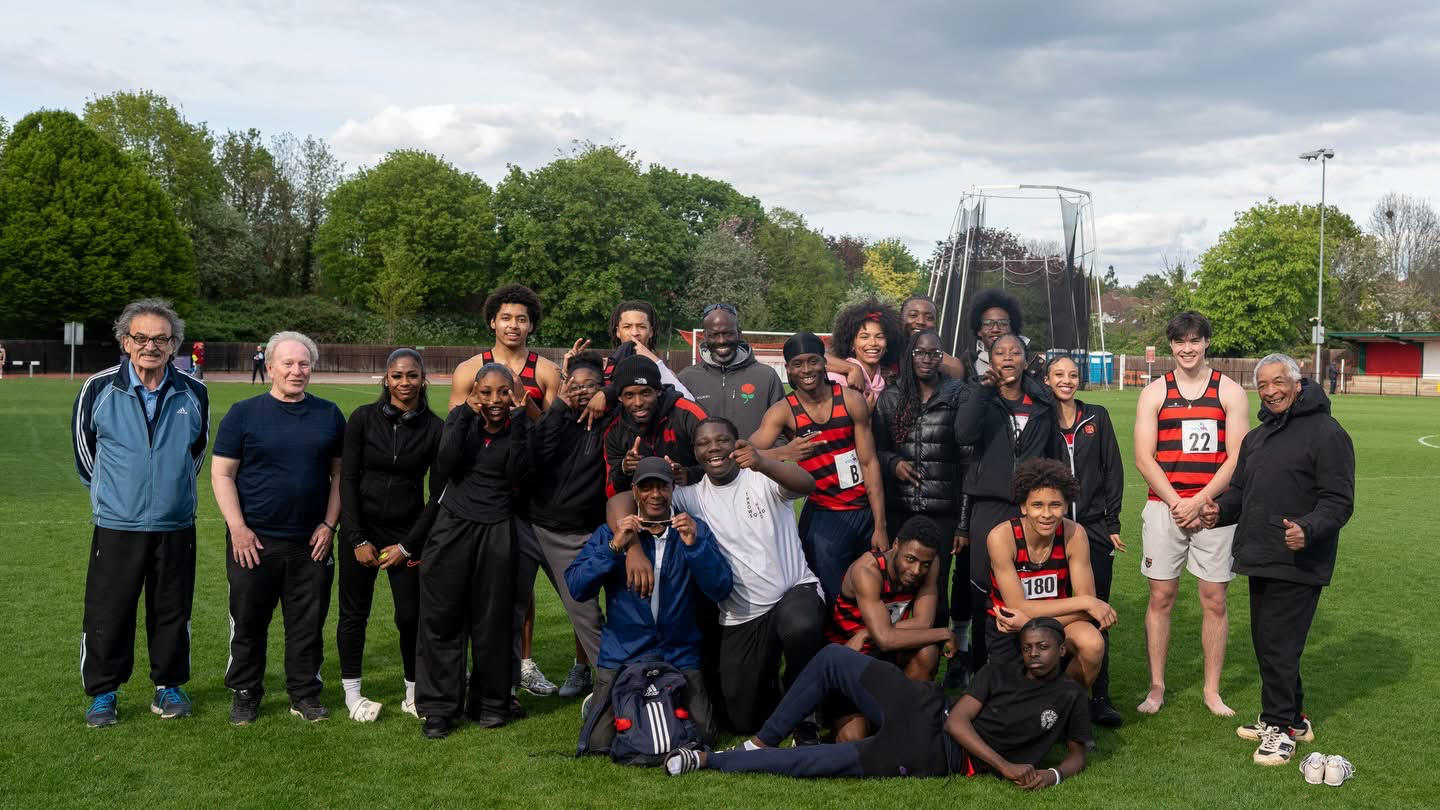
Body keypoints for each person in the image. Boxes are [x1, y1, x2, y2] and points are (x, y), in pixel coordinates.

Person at [665, 618, 1090, 788]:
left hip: (933, 752)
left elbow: (1077, 753)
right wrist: (1006, 766)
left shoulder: (1070, 696)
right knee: (834, 657)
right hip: (926, 709)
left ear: (1061, 650)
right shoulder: (999, 671)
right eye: (1027, 647)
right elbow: (957, 722)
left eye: (1043, 647)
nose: (1033, 654)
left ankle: (708, 760)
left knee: (819, 761)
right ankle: (762, 740)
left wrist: (1052, 775)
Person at [614, 417, 825, 736]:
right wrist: (631, 546)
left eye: (722, 440)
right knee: (741, 721)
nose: (713, 448)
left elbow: (806, 484)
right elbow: (619, 501)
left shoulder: (761, 477)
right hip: (742, 613)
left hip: (792, 592)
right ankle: (781, 689)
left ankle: (807, 717)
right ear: (695, 452)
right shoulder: (690, 496)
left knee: (801, 624)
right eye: (703, 443)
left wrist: (763, 460)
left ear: (737, 443)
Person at [1201, 354, 1354, 766]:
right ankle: (1293, 720)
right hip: (1261, 554)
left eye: (1278, 382)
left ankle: (1279, 730)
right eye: (1263, 385)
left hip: (1300, 560)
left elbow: (1339, 500)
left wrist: (1308, 528)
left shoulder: (1327, 433)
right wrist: (1219, 510)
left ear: (1297, 383)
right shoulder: (1257, 437)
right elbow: (1240, 493)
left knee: (1277, 646)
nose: (1270, 391)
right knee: (1272, 643)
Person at [71, 299, 209, 726]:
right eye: (142, 337)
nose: (151, 346)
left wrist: (170, 491)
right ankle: (103, 693)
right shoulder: (98, 388)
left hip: (175, 523)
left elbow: (195, 452)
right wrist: (115, 496)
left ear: (173, 345)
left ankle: (168, 686)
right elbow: (85, 454)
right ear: (125, 341)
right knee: (108, 611)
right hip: (118, 523)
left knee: (172, 610)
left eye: (161, 339)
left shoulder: (194, 391)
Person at [212, 331, 345, 725]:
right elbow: (222, 474)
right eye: (288, 363)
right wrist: (238, 527)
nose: (296, 371)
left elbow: (341, 475)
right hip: (253, 541)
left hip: (311, 541)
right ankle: (246, 693)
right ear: (270, 367)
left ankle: (304, 694)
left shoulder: (329, 414)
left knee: (308, 623)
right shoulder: (243, 413)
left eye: (304, 364)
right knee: (248, 621)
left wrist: (329, 524)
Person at [566, 456, 734, 754]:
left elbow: (720, 588)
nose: (655, 494)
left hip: (679, 652)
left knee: (705, 737)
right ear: (634, 491)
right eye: (646, 487)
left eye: (662, 487)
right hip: (624, 653)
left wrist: (695, 547)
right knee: (598, 744)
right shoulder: (612, 533)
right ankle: (603, 700)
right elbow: (577, 587)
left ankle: (652, 708)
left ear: (672, 489)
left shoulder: (693, 529)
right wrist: (614, 548)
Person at [1133, 311, 1250, 716]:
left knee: (1214, 599)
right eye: (1180, 341)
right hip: (1164, 507)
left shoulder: (1230, 392)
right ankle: (1157, 687)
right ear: (1171, 345)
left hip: (1213, 509)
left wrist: (1200, 501)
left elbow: (1237, 457)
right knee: (1161, 596)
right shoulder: (1155, 392)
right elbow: (1144, 457)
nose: (1187, 348)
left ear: (1206, 343)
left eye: (1195, 340)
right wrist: (1177, 502)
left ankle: (1212, 691)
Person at [413, 363, 533, 738]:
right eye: (486, 392)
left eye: (503, 392)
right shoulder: (459, 420)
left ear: (514, 394)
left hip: (497, 528)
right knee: (442, 618)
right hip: (452, 526)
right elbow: (444, 466)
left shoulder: (521, 427)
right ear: (474, 392)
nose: (495, 400)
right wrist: (465, 413)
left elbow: (517, 474)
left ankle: (490, 703)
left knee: (493, 621)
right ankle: (438, 709)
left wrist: (519, 419)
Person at [336, 348, 443, 722]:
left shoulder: (435, 428)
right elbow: (348, 480)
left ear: (423, 379)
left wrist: (408, 545)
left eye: (412, 375)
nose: (404, 382)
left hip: (407, 534)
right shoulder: (362, 419)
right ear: (386, 379)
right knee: (353, 615)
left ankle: (413, 693)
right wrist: (356, 538)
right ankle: (352, 694)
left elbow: (438, 494)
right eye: (397, 375)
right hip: (361, 530)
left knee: (411, 616)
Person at [751, 332, 888, 607]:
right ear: (788, 369)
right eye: (798, 364)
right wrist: (784, 453)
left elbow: (869, 463)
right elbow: (744, 454)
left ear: (824, 363)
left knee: (875, 595)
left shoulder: (851, 400)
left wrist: (880, 525)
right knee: (833, 599)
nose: (806, 370)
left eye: (813, 361)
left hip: (863, 511)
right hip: (824, 515)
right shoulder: (783, 411)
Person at [953, 333, 1061, 674]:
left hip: (1029, 509)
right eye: (1000, 352)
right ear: (991, 360)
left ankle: (1029, 669)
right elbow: (963, 434)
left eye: (1015, 352)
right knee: (983, 588)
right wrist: (984, 392)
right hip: (989, 506)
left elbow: (1054, 458)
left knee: (1027, 587)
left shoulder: (1042, 402)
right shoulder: (979, 394)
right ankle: (981, 670)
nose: (1008, 358)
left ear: (1025, 360)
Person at [523, 353, 612, 699]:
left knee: (585, 614)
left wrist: (611, 391)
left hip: (572, 533)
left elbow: (649, 382)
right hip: (529, 525)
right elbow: (534, 454)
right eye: (577, 385)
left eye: (592, 386)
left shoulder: (610, 420)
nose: (583, 391)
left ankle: (615, 689)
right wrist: (559, 406)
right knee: (506, 605)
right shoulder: (555, 417)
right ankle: (500, 688)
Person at [872, 330, 966, 654]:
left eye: (934, 354)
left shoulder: (956, 395)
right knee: (895, 585)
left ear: (942, 357)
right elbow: (874, 450)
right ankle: (890, 660)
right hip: (900, 509)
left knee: (935, 590)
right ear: (910, 355)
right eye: (920, 353)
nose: (927, 359)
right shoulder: (891, 397)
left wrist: (962, 524)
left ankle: (931, 664)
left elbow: (967, 462)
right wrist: (892, 463)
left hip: (942, 513)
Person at [1044, 355, 1126, 727]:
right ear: (1047, 380)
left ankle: (1100, 696)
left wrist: (1112, 521)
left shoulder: (1097, 417)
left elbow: (1113, 470)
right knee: (1059, 610)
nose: (1067, 380)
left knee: (1098, 610)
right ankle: (1053, 690)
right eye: (1059, 374)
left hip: (1093, 528)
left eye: (1073, 374)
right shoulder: (1042, 420)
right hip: (1053, 529)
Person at [985, 459, 1114, 689]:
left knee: (1092, 643)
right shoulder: (1001, 537)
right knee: (1011, 700)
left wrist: (1031, 622)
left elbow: (1087, 613)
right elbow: (1017, 606)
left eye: (1055, 505)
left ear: (1066, 506)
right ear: (1023, 507)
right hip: (1008, 626)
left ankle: (1063, 702)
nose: (1046, 514)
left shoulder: (1074, 534)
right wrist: (1085, 602)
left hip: (1055, 622)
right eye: (1037, 505)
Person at [826, 516, 954, 740]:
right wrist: (944, 632)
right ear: (896, 545)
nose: (916, 570)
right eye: (910, 559)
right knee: (854, 739)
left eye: (924, 564)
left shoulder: (930, 563)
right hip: (850, 658)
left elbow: (923, 623)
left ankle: (907, 720)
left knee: (927, 652)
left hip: (885, 653)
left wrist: (867, 632)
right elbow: (884, 639)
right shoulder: (868, 570)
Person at [602, 355, 708, 495]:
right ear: (620, 398)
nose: (638, 402)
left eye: (645, 393)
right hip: (646, 499)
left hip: (692, 492)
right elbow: (611, 492)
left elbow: (722, 461)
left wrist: (689, 474)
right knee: (618, 503)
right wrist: (624, 469)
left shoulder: (687, 413)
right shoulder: (614, 428)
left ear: (658, 391)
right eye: (629, 395)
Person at [676, 303, 785, 439]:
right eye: (714, 335)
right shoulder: (686, 379)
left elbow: (781, 434)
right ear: (704, 336)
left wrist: (757, 452)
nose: (721, 340)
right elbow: (679, 434)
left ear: (739, 334)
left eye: (728, 333)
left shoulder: (767, 376)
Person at [825, 298, 905, 406]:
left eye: (880, 337)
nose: (873, 343)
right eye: (864, 337)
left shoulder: (888, 381)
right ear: (852, 344)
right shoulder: (835, 380)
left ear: (888, 343)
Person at [961, 289, 1027, 381]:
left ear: (1012, 329)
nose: (995, 329)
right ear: (979, 330)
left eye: (1003, 323)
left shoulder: (1033, 365)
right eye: (988, 323)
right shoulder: (965, 366)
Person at [899, 295, 966, 378]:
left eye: (929, 318)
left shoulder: (952, 365)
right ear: (900, 319)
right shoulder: (888, 355)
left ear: (936, 325)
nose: (921, 322)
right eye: (913, 315)